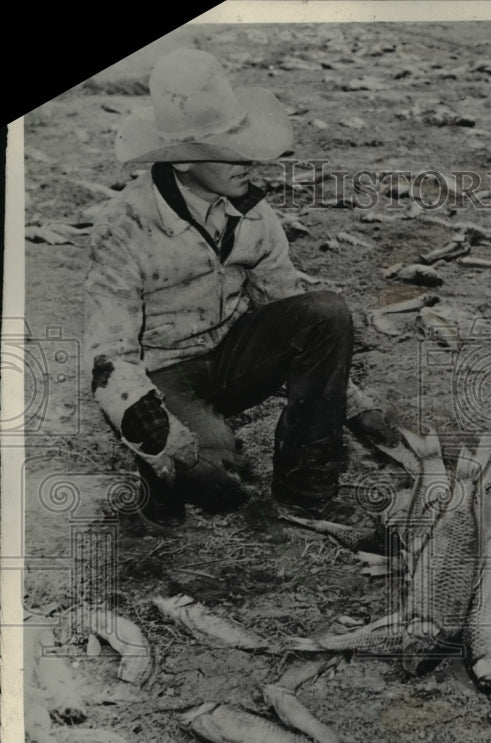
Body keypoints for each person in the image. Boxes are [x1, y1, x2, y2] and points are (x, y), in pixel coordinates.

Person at [85, 49, 400, 528]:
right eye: (226, 145)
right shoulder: (123, 229)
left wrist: (356, 409)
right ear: (184, 160)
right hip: (164, 375)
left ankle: (305, 491)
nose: (248, 157)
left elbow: (288, 307)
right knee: (215, 477)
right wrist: (174, 449)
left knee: (325, 312)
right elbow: (111, 361)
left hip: (232, 358)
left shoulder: (253, 213)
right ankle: (159, 486)